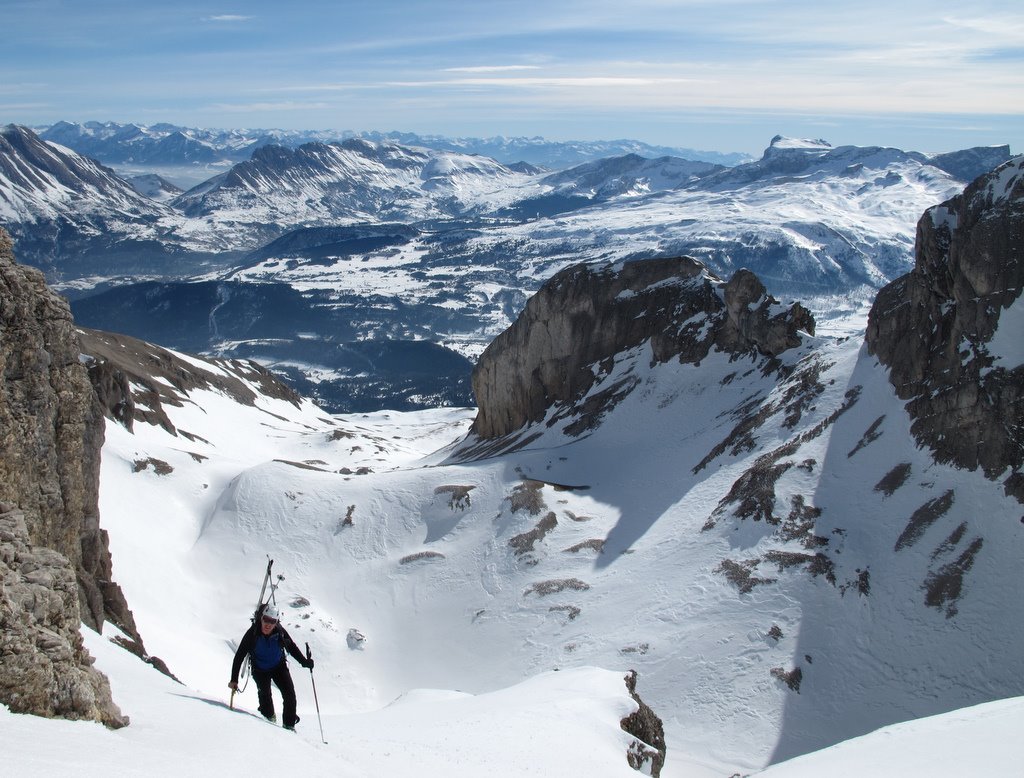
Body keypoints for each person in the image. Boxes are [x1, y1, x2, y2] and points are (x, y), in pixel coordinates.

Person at [229, 603, 313, 730]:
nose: (268, 624)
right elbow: (239, 655)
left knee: (290, 695)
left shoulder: (279, 631)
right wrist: (234, 679)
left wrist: (304, 662)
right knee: (265, 695)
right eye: (266, 620)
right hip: (260, 669)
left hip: (278, 666)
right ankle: (269, 724)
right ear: (261, 618)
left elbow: (291, 647)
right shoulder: (253, 633)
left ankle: (289, 726)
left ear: (276, 622)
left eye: (272, 621)